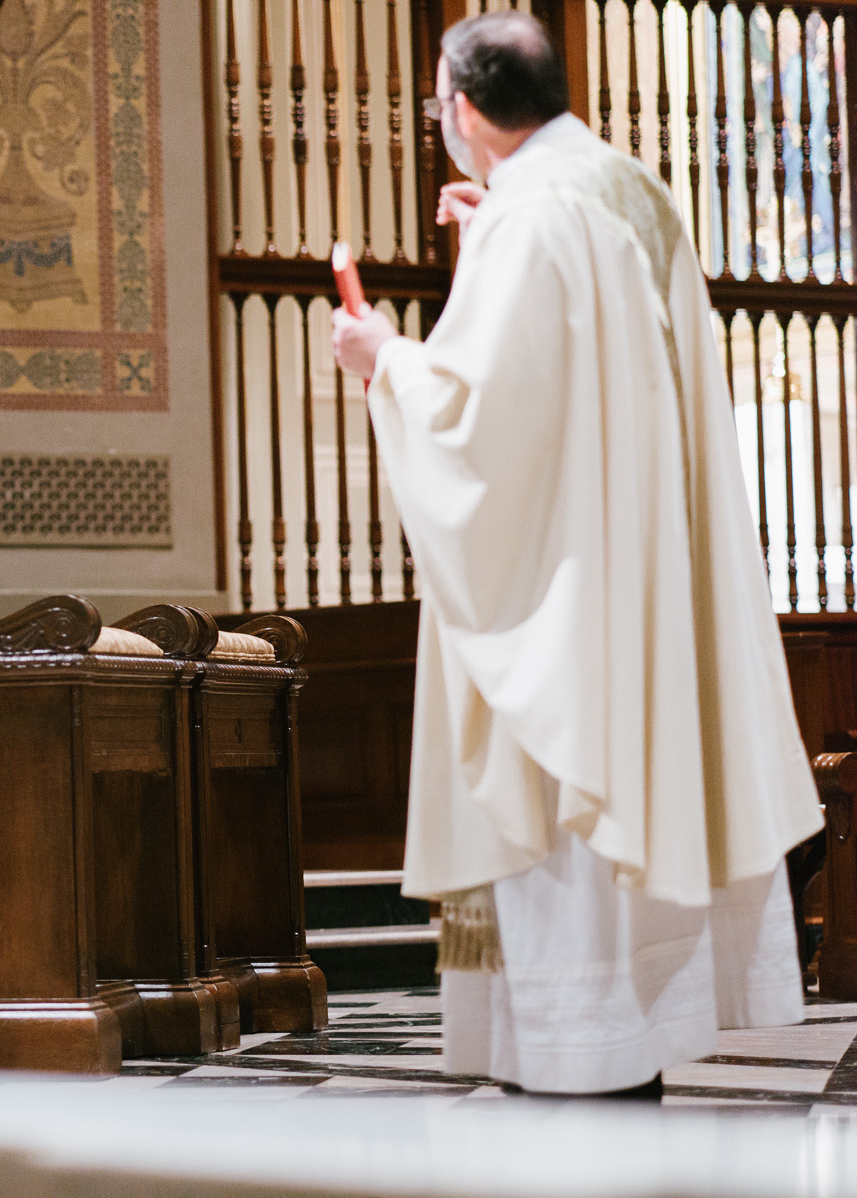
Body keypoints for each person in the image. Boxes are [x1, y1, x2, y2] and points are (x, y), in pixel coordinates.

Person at [330, 11, 825, 1097]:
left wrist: (382, 360)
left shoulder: (533, 216)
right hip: (641, 579)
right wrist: (488, 237)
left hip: (569, 598)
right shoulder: (626, 189)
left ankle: (576, 1049)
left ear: (464, 111)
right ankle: (631, 1040)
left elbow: (487, 429)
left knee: (565, 820)